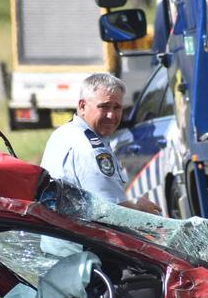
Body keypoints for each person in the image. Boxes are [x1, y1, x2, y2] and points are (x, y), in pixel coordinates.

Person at [41, 72, 160, 214]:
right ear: (82, 106)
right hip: (79, 234)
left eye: (117, 108)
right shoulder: (91, 149)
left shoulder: (63, 133)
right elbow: (112, 212)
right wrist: (142, 209)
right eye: (104, 107)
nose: (111, 115)